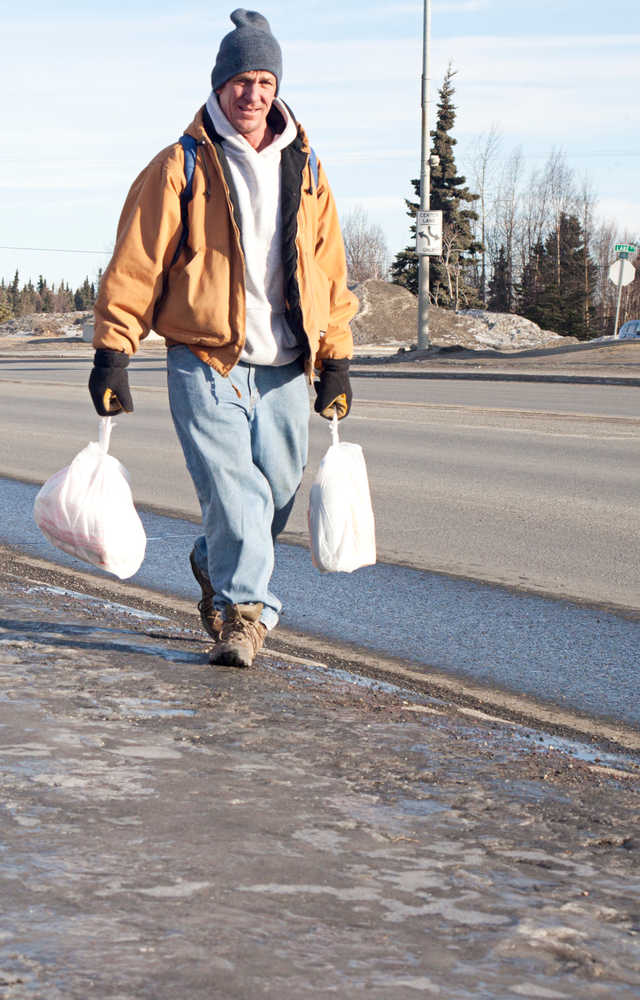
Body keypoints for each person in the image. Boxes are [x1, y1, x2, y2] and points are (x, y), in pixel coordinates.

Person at [88, 9, 358, 668]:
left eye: (265, 80)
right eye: (242, 79)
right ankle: (243, 618)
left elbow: (328, 270)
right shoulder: (180, 163)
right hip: (205, 358)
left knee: (279, 489)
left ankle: (213, 559)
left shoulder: (308, 168)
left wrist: (337, 360)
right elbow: (137, 261)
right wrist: (112, 352)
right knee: (237, 493)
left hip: (287, 363)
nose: (254, 93)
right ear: (220, 83)